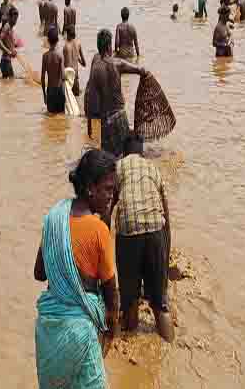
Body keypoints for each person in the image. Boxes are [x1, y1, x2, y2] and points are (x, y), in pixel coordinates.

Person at [33, 150, 119, 389]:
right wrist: (111, 332)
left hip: (48, 329)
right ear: (90, 188)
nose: (111, 197)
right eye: (108, 190)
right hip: (79, 330)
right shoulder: (98, 230)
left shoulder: (53, 219)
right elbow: (112, 294)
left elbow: (39, 273)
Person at [105, 133, 175, 342]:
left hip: (128, 235)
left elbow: (109, 205)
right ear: (142, 151)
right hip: (156, 232)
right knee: (160, 305)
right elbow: (166, 214)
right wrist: (165, 251)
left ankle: (131, 336)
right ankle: (170, 345)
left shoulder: (117, 167)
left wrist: (102, 238)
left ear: (124, 152)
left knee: (130, 302)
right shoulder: (153, 168)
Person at [86, 30, 147, 157]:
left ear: (98, 47)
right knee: (125, 156)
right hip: (120, 117)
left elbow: (91, 100)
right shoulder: (118, 63)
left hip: (107, 121)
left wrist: (90, 125)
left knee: (109, 160)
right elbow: (140, 70)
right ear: (109, 47)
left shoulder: (95, 69)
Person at [41, 28, 66, 114]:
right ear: (58, 40)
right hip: (59, 91)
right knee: (61, 118)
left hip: (50, 92)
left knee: (50, 117)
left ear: (48, 40)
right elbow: (63, 76)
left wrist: (44, 95)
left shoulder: (45, 56)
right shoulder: (60, 56)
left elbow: (42, 78)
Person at [63, 25, 86, 96]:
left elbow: (64, 65)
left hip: (69, 78)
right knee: (77, 101)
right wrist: (77, 58)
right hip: (76, 78)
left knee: (68, 103)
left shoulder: (66, 47)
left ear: (68, 35)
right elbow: (84, 64)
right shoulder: (78, 44)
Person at [0, 6, 18, 79]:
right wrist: (9, 52)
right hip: (5, 62)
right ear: (9, 17)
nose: (15, 21)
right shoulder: (7, 27)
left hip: (6, 61)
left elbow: (8, 43)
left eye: (16, 19)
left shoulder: (10, 28)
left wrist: (13, 50)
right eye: (14, 19)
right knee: (11, 82)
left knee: (8, 84)